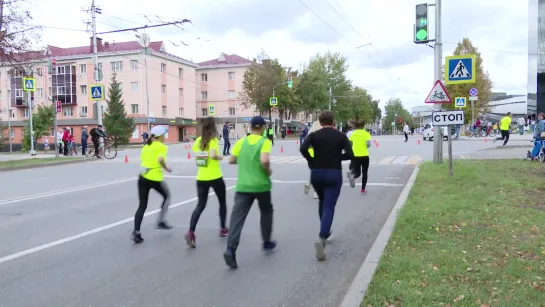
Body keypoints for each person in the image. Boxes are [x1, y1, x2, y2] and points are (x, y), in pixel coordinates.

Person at [223, 116, 276, 269]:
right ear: (263, 128)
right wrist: (268, 170)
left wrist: (245, 160)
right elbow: (264, 160)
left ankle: (231, 249)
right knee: (266, 211)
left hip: (243, 186)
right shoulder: (264, 141)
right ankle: (266, 242)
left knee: (237, 218)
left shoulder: (241, 142)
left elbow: (231, 160)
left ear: (250, 127)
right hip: (261, 185)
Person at [300, 111, 354, 261]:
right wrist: (338, 156)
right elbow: (351, 154)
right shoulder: (341, 136)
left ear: (320, 121)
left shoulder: (314, 136)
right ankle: (322, 236)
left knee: (322, 202)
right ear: (333, 122)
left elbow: (303, 148)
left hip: (316, 174)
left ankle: (325, 229)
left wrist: (312, 160)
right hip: (333, 174)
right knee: (329, 206)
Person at [185, 117, 228, 247]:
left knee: (200, 205)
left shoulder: (198, 141)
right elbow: (213, 155)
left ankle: (191, 231)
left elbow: (198, 154)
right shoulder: (213, 140)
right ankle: (223, 229)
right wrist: (221, 157)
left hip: (201, 177)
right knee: (222, 202)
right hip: (215, 176)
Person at [131, 125, 173, 244]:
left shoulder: (146, 146)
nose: (164, 137)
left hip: (142, 177)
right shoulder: (162, 147)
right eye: (164, 135)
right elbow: (160, 160)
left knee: (142, 206)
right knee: (167, 196)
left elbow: (143, 160)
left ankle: (136, 232)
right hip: (154, 178)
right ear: (159, 136)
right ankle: (161, 221)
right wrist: (167, 168)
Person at [347, 119, 372, 195]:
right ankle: (363, 190)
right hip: (364, 155)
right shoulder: (366, 134)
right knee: (365, 173)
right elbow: (368, 144)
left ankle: (353, 176)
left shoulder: (353, 134)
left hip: (355, 155)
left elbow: (350, 144)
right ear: (364, 126)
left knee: (357, 172)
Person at [304, 120, 322, 199]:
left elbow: (304, 147)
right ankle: (316, 192)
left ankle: (310, 184)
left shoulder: (311, 134)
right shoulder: (322, 133)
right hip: (319, 155)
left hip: (311, 154)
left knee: (314, 172)